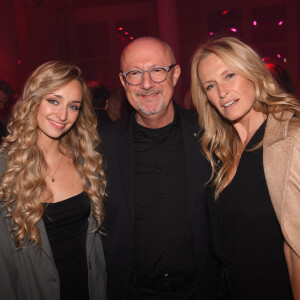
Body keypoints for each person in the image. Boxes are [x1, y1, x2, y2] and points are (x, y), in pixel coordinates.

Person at [100, 37, 220, 300]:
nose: (146, 84)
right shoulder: (101, 145)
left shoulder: (211, 135)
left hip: (202, 290)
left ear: (175, 75)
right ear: (123, 82)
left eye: (157, 71)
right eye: (134, 74)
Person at [191, 36, 300, 299]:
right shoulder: (220, 150)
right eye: (210, 86)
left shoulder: (289, 140)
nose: (222, 92)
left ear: (252, 72)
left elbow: (297, 249)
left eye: (229, 75)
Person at [0, 61, 107, 299]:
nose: (63, 115)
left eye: (74, 106)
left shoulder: (86, 161)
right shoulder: (6, 170)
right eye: (54, 100)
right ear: (34, 100)